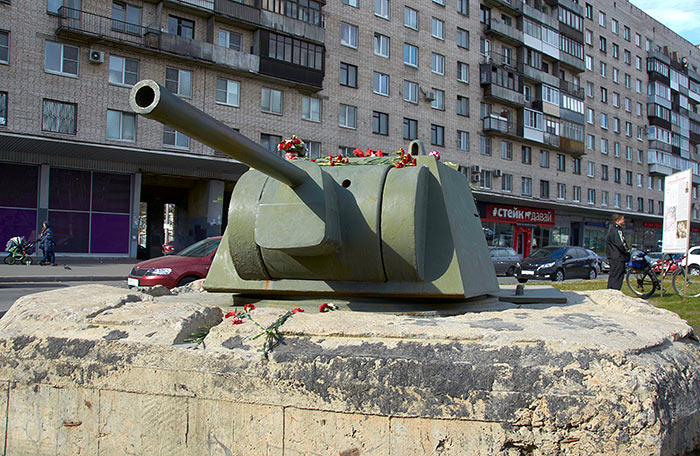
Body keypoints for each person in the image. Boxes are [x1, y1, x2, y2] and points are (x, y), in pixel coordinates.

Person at [606, 213, 630, 290]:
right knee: (618, 274)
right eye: (623, 219)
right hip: (617, 256)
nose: (624, 221)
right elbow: (620, 243)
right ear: (618, 220)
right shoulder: (616, 230)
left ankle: (611, 289)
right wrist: (626, 252)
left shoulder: (612, 229)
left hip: (614, 255)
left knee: (614, 273)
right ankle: (615, 289)